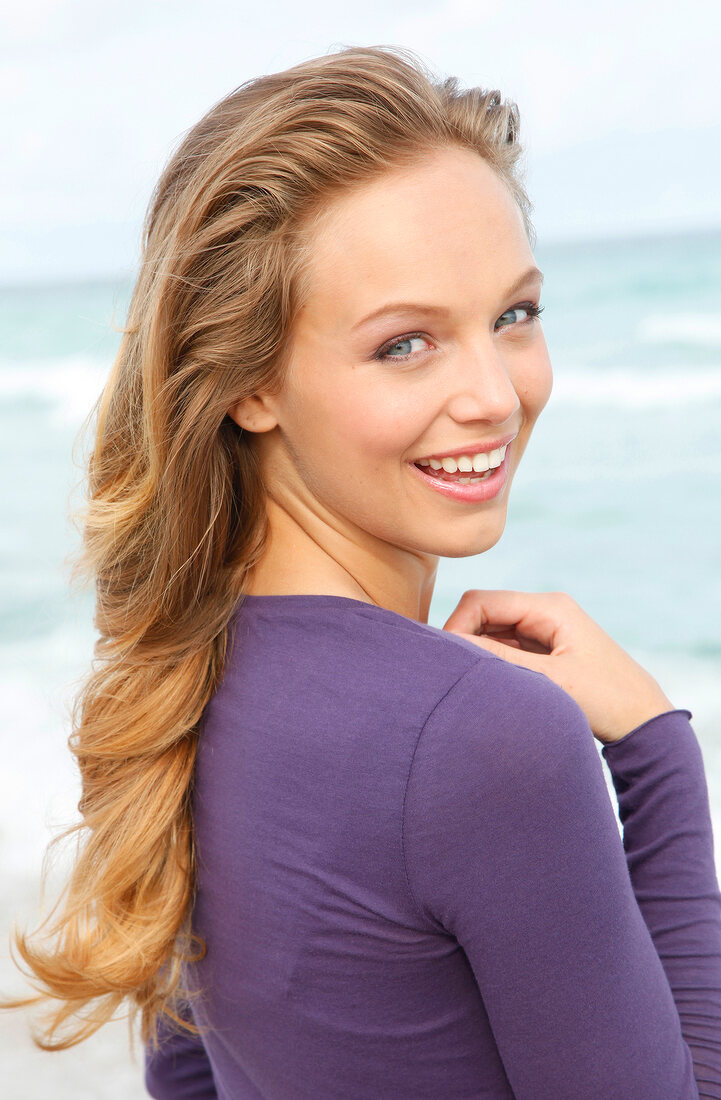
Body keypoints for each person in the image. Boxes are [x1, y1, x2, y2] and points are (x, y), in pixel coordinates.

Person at [4, 44, 721, 1100]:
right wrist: (657, 755)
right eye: (405, 344)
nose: (495, 393)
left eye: (513, 314)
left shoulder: (175, 684)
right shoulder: (488, 740)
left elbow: (191, 1082)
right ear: (250, 383)